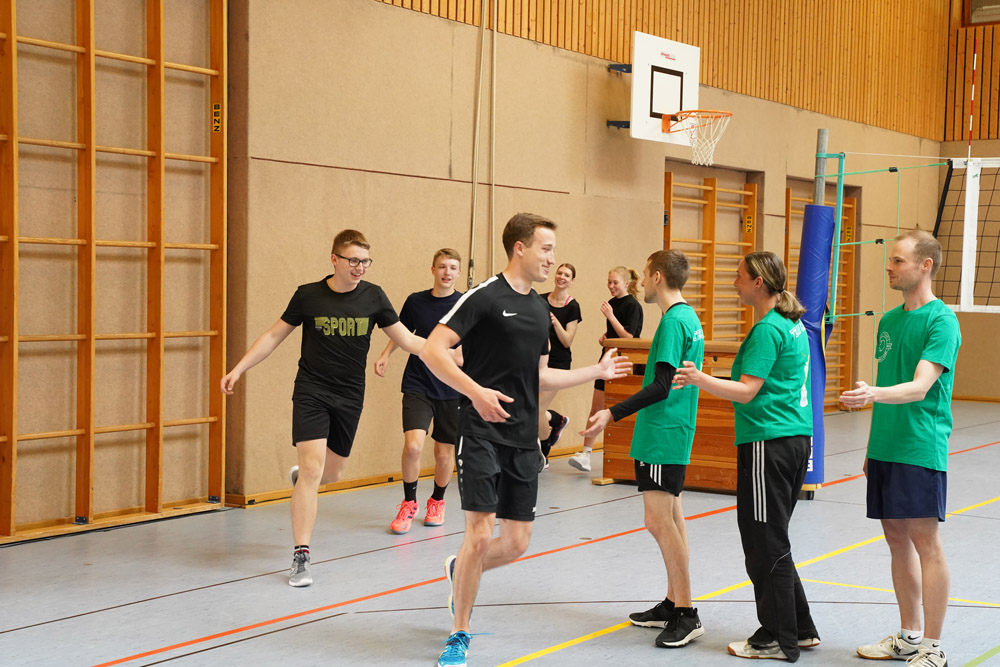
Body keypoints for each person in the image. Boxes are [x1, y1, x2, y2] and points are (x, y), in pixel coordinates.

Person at [420, 213, 631, 667]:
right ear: (520, 247)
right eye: (546, 249)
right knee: (479, 536)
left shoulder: (538, 310)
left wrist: (595, 371)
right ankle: (459, 633)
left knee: (516, 543)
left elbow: (539, 376)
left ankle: (459, 570)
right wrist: (475, 392)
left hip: (522, 440)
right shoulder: (484, 296)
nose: (552, 258)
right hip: (479, 432)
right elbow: (433, 349)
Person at [220, 229, 426, 588]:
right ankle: (301, 556)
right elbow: (273, 335)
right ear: (334, 259)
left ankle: (304, 480)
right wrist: (238, 369)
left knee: (331, 474)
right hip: (312, 391)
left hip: (350, 396)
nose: (360, 267)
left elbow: (407, 340)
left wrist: (448, 351)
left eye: (365, 261)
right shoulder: (309, 295)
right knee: (313, 469)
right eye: (353, 260)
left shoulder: (374, 296)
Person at [672, 250, 819, 662]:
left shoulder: (768, 329)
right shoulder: (790, 324)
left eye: (739, 276)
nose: (733, 282)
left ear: (758, 282)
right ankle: (800, 628)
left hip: (768, 443)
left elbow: (748, 391)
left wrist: (699, 378)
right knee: (772, 538)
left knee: (763, 542)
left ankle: (777, 637)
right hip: (793, 440)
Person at [841, 230, 961, 667]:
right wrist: (872, 447)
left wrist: (871, 394)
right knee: (895, 538)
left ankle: (933, 646)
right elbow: (890, 381)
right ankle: (909, 637)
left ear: (925, 265)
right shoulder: (888, 320)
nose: (889, 267)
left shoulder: (942, 321)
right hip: (886, 447)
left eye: (897, 260)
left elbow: (919, 386)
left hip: (919, 446)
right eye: (890, 260)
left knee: (925, 542)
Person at [581, 249, 706, 648]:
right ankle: (673, 602)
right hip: (674, 430)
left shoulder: (673, 322)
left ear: (656, 277)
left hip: (662, 433)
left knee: (658, 521)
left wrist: (611, 413)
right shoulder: (689, 317)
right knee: (673, 518)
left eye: (646, 274)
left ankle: (686, 612)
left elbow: (661, 386)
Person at [374, 248, 463, 533]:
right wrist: (386, 354)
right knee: (413, 447)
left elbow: (467, 350)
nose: (447, 272)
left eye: (452, 267)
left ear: (459, 272)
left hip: (452, 387)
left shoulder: (464, 304)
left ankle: (437, 501)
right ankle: (409, 503)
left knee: (443, 454)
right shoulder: (415, 301)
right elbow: (401, 332)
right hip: (418, 383)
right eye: (442, 266)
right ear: (433, 269)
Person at [568, 265, 644, 473]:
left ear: (626, 284)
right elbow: (616, 332)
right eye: (609, 282)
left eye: (615, 282)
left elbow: (630, 337)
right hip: (606, 359)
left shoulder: (633, 306)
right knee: (596, 407)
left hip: (623, 362)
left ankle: (628, 455)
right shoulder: (612, 303)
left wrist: (611, 318)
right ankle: (586, 454)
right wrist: (606, 336)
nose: (611, 286)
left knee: (621, 409)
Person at [538, 262, 582, 467]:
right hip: (538, 360)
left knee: (536, 408)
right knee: (530, 407)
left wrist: (555, 322)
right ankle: (557, 420)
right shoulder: (540, 299)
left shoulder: (572, 307)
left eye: (567, 275)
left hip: (558, 364)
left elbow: (567, 341)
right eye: (560, 273)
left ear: (572, 281)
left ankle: (543, 452)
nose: (562, 277)